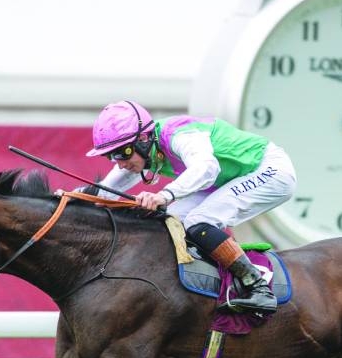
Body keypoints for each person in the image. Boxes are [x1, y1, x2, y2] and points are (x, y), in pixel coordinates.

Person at [85, 100, 297, 315]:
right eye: (111, 156)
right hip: (225, 179)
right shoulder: (144, 147)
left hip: (268, 170)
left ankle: (257, 286)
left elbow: (206, 168)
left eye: (122, 153)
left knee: (198, 221)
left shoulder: (179, 135)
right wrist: (69, 198)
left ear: (142, 139)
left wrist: (164, 195)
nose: (119, 162)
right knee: (171, 220)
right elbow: (104, 191)